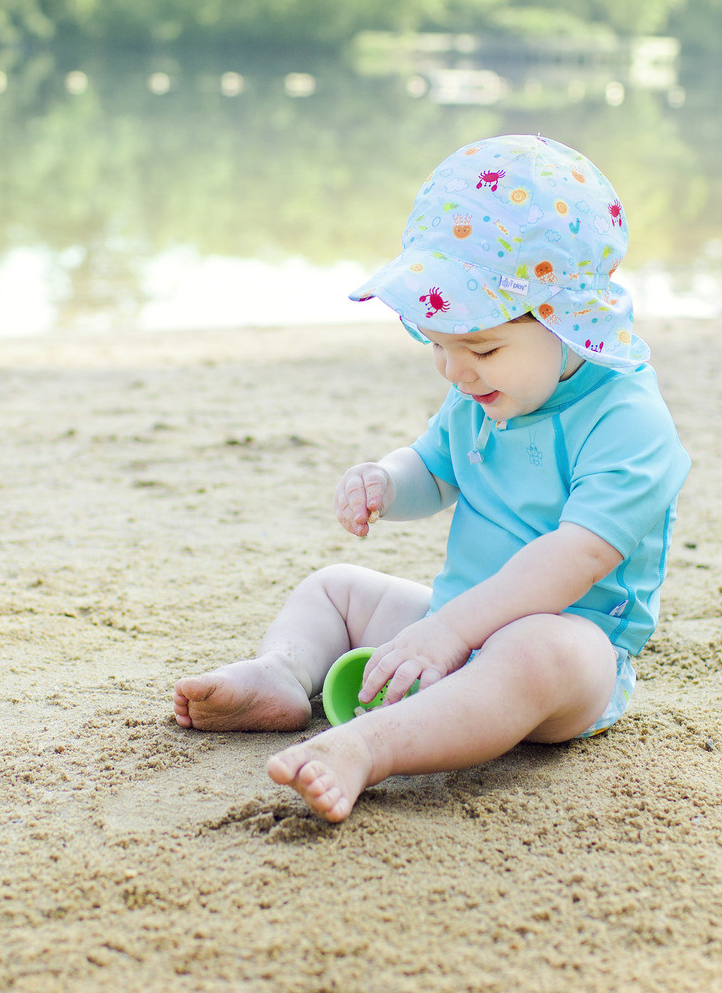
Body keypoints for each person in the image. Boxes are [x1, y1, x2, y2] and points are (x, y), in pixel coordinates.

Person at [173, 135, 690, 822]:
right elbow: (436, 467)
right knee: (335, 589)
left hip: (569, 648)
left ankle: (371, 747)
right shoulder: (487, 392)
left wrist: (449, 634)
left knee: (538, 651)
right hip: (451, 622)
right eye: (438, 344)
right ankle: (284, 673)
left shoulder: (630, 422)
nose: (455, 370)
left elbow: (572, 562)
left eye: (480, 346)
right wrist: (388, 479)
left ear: (570, 323)